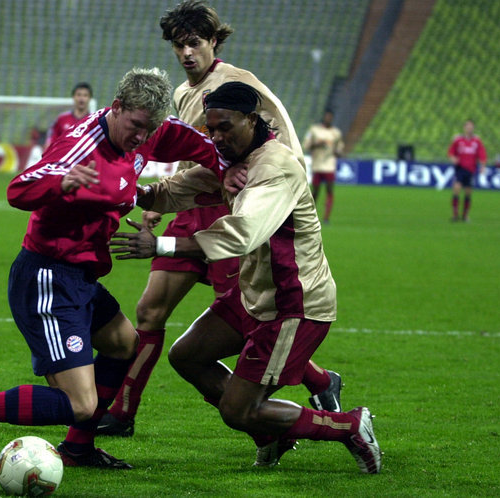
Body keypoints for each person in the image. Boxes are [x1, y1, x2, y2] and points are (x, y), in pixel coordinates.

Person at [0, 67, 232, 470]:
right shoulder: (80, 145)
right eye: (136, 126)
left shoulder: (149, 128)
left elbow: (204, 144)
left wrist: (233, 169)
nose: (142, 137)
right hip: (48, 277)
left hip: (81, 277)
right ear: (117, 107)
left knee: (124, 342)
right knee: (81, 404)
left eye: (149, 130)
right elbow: (18, 189)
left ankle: (78, 450)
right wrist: (61, 182)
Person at [110, 82, 382, 474]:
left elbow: (241, 234)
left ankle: (348, 425)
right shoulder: (233, 159)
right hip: (254, 293)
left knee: (237, 411)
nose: (217, 138)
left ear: (251, 120)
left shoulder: (275, 168)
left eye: (225, 128)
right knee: (187, 357)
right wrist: (120, 191)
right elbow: (177, 190)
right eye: (211, 129)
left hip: (294, 303)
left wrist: (162, 246)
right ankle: (270, 432)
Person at [98, 0, 341, 438]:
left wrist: (265, 188)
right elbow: (198, 159)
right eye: (178, 45)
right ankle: (123, 411)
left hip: (237, 219)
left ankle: (313, 386)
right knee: (150, 309)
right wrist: (156, 202)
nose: (186, 53)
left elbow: (285, 147)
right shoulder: (182, 93)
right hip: (196, 209)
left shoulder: (238, 85)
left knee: (251, 318)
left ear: (213, 41)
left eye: (194, 43)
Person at [302, 109, 343, 224]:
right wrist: (317, 144)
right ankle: (311, 216)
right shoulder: (314, 130)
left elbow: (339, 148)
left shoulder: (336, 133)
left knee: (329, 190)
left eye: (330, 117)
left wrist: (337, 151)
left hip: (329, 165)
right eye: (327, 117)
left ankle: (326, 218)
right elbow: (306, 145)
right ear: (324, 117)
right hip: (317, 165)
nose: (328, 119)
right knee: (315, 192)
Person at [448, 119, 487, 222]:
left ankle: (465, 216)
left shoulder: (477, 141)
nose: (469, 128)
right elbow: (451, 152)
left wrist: (483, 165)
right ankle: (455, 215)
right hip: (460, 168)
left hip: (471, 169)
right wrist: (453, 158)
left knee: (468, 192)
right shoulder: (458, 140)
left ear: (473, 128)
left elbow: (482, 154)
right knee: (456, 188)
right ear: (464, 128)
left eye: (471, 126)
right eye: (467, 126)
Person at [43, 82, 93, 150]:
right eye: (78, 95)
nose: (81, 99)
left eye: (85, 95)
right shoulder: (62, 119)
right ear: (73, 97)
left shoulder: (93, 120)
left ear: (89, 98)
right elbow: (51, 141)